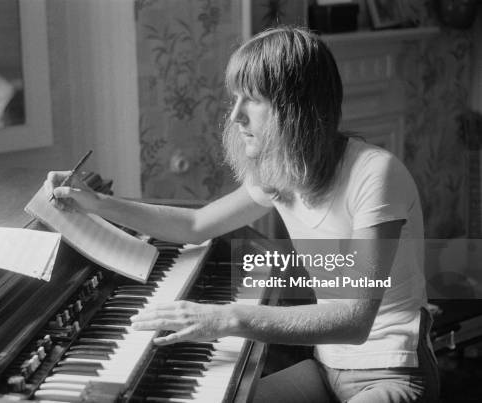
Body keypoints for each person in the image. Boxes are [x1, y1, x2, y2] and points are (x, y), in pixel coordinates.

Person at [45, 27, 439, 403]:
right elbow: (195, 225)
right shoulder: (281, 173)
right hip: (327, 367)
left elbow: (356, 319)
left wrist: (226, 317)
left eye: (252, 99)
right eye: (235, 98)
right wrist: (97, 202)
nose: (235, 115)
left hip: (392, 371)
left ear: (296, 109)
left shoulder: (375, 173)